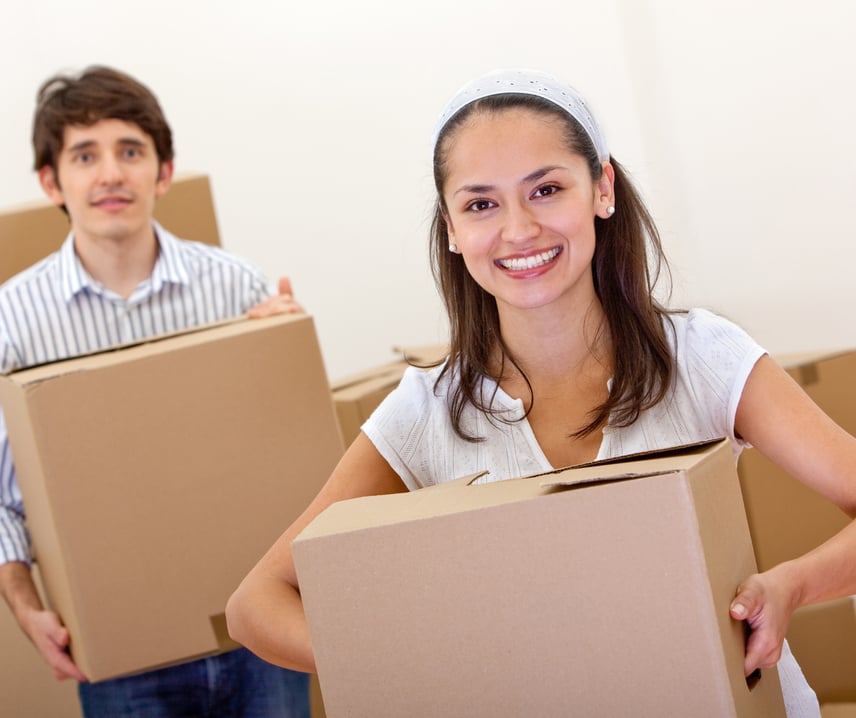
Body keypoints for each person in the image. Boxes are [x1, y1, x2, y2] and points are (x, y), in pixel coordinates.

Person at [225, 68, 856, 716]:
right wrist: (421, 666)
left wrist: (788, 587)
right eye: (481, 204)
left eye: (546, 189)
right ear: (450, 225)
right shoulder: (426, 413)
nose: (519, 229)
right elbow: (257, 604)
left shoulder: (699, 357)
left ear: (601, 189)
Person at [0, 65, 310, 717]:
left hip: (254, 631)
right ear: (50, 181)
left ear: (163, 173)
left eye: (130, 152)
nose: (110, 174)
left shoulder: (235, 287)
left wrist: (278, 355)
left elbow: (286, 457)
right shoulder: (9, 322)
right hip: (120, 651)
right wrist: (28, 610)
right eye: (84, 155)